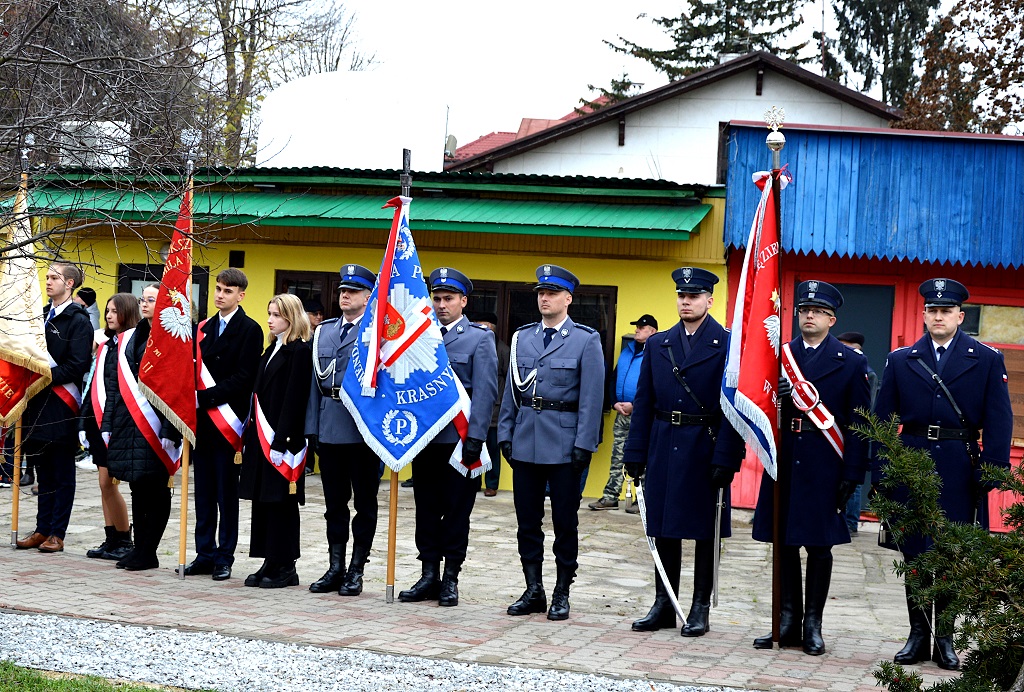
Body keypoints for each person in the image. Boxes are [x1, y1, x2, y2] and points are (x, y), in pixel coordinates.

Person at [873, 278, 1012, 671]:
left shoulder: (984, 358)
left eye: (945, 310)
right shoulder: (902, 359)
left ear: (959, 316)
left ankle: (946, 637)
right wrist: (883, 468)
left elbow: (1000, 418)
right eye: (932, 310)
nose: (938, 316)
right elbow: (883, 418)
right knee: (916, 551)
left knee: (951, 553)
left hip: (959, 464)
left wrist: (994, 466)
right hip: (913, 460)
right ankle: (918, 635)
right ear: (923, 315)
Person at [751, 280, 871, 655]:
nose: (809, 316)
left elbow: (858, 422)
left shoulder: (851, 363)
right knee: (784, 544)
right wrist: (778, 399)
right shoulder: (779, 355)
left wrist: (853, 473)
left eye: (817, 311)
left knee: (819, 547)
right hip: (784, 460)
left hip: (824, 463)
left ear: (831, 319)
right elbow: (759, 402)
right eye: (804, 310)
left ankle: (813, 625)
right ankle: (787, 620)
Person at [623, 269, 744, 636]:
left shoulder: (725, 344)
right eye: (681, 295)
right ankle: (664, 603)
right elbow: (644, 401)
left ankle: (699, 606)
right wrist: (636, 450)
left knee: (704, 531)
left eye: (694, 296)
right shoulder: (659, 343)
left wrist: (727, 457)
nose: (686, 302)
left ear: (710, 300)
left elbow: (734, 406)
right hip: (663, 440)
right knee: (663, 527)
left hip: (704, 444)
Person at [498, 264, 605, 621]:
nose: (544, 298)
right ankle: (533, 589)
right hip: (526, 440)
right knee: (527, 521)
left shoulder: (585, 339)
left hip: (564, 444)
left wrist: (584, 444)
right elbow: (512, 393)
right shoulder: (522, 337)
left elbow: (592, 397)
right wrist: (505, 433)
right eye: (541, 293)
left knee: (564, 521)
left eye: (552, 293)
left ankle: (562, 590)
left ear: (568, 299)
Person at [398, 268, 498, 607]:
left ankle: (451, 577)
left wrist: (477, 436)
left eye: (448, 299)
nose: (441, 305)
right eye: (437, 298)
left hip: (460, 442)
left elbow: (485, 392)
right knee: (426, 510)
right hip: (426, 439)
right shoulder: (419, 334)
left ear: (463, 301)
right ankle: (428, 574)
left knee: (457, 512)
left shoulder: (479, 338)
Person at [181, 269, 263, 581]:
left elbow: (244, 378)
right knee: (203, 492)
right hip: (203, 425)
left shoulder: (249, 329)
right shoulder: (202, 328)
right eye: (217, 289)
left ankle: (224, 556)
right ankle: (204, 552)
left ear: (241, 295)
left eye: (228, 291)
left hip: (228, 423)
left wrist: (204, 397)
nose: (220, 295)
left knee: (225, 495)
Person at [305, 265, 381, 596]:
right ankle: (335, 566)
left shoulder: (379, 331)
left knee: (365, 504)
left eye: (353, 290)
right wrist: (313, 428)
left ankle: (356, 569)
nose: (344, 295)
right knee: (334, 504)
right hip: (331, 423)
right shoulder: (323, 331)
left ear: (369, 297)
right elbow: (313, 385)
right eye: (341, 290)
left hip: (363, 428)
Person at [101, 286, 183, 571]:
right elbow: (114, 385)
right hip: (127, 422)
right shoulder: (127, 339)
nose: (145, 303)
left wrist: (173, 430)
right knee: (137, 486)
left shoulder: (172, 339)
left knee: (156, 489)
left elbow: (177, 389)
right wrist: (107, 424)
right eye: (143, 299)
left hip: (156, 425)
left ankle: (150, 549)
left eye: (151, 299)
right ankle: (139, 549)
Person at [16, 262, 92, 553]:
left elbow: (77, 365)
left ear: (69, 283)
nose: (48, 282)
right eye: (46, 277)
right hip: (37, 404)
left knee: (61, 473)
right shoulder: (42, 317)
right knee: (43, 472)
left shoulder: (78, 320)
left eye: (54, 278)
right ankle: (41, 528)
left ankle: (57, 533)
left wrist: (42, 378)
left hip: (61, 405)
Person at [239, 294, 312, 588]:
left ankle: (285, 565)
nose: (270, 320)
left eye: (276, 315)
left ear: (291, 318)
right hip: (261, 438)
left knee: (281, 502)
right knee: (264, 501)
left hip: (282, 440)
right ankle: (269, 559)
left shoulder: (299, 351)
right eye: (269, 313)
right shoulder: (272, 349)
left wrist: (281, 441)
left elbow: (294, 400)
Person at [78, 293, 138, 561]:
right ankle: (111, 537)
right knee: (103, 484)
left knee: (108, 481)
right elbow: (93, 383)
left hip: (114, 421)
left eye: (115, 311)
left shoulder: (130, 343)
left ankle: (124, 538)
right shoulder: (106, 345)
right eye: (108, 311)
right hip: (96, 417)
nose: (110, 315)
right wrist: (83, 419)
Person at [590, 313, 658, 512]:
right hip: (622, 414)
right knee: (617, 455)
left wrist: (636, 406)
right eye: (636, 326)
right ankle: (610, 496)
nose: (637, 329)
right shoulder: (628, 351)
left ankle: (642, 500)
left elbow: (656, 386)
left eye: (641, 327)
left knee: (643, 456)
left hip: (643, 415)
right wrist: (614, 403)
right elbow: (613, 378)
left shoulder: (656, 352)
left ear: (652, 331)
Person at [835, 331, 879, 535]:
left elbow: (864, 407)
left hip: (859, 432)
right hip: (847, 432)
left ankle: (851, 522)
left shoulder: (866, 371)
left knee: (854, 476)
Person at [473, 312, 509, 498]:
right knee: (474, 447)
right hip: (475, 409)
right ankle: (474, 481)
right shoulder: (474, 346)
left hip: (496, 410)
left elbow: (509, 379)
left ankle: (491, 484)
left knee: (493, 450)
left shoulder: (502, 350)